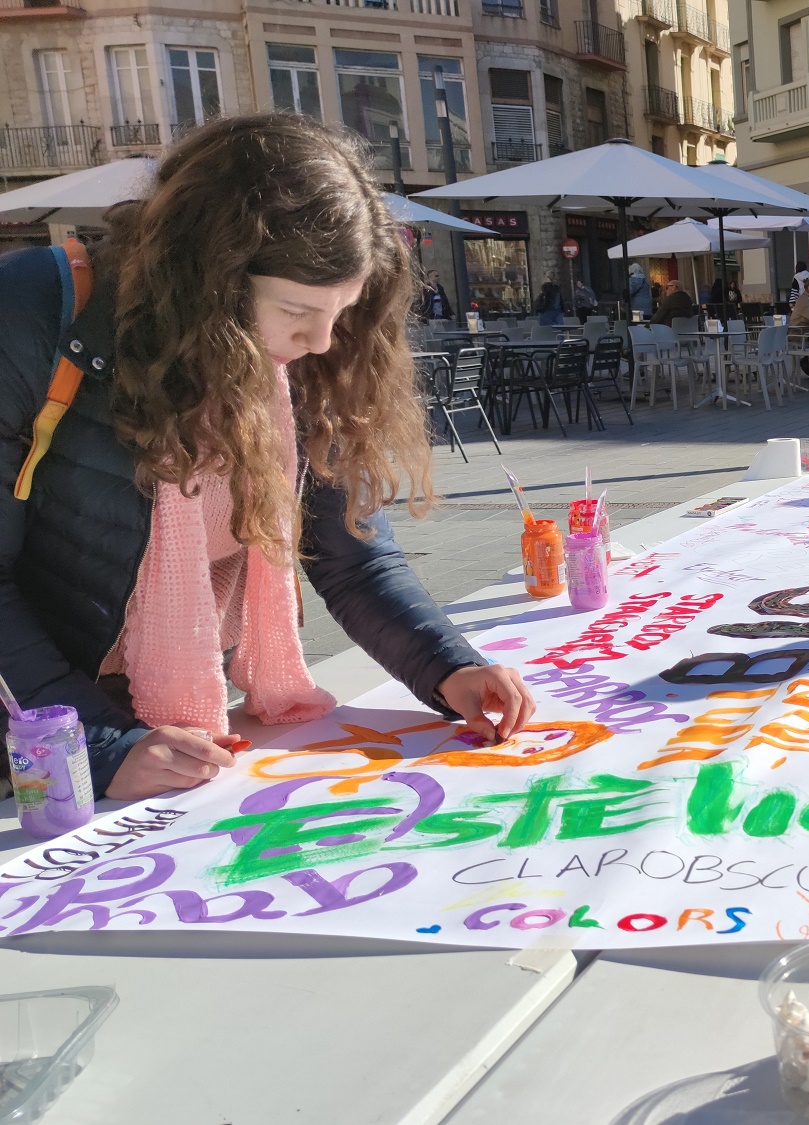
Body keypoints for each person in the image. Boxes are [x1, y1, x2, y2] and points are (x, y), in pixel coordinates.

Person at [0, 113, 533, 801]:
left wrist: (446, 665)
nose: (321, 340)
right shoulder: (34, 309)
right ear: (207, 277)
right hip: (37, 729)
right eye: (297, 310)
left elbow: (354, 555)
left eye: (341, 311)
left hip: (177, 727)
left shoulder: (311, 356)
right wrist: (99, 743)